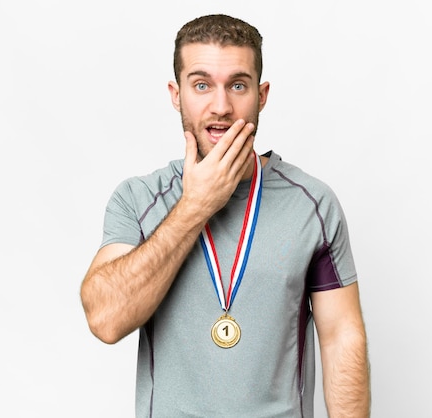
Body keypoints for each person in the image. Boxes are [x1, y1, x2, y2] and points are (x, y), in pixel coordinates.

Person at [80, 14, 370, 418]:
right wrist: (195, 206)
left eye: (238, 85)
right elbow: (106, 320)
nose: (221, 106)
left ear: (262, 94)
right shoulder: (138, 198)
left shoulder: (313, 204)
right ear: (176, 94)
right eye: (201, 85)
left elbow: (341, 338)